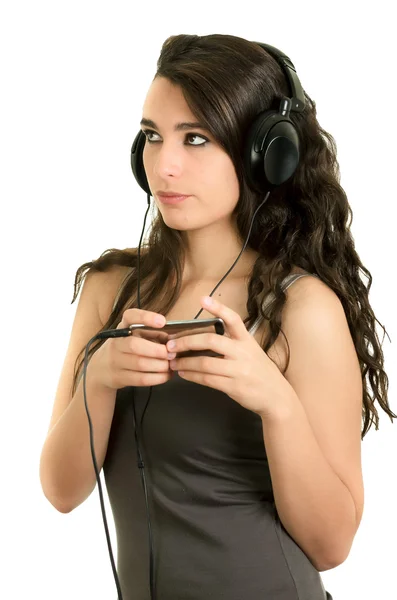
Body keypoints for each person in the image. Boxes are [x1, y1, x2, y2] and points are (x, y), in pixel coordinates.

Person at [39, 34, 395, 600]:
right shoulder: (111, 292)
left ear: (266, 154)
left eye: (196, 138)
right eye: (153, 137)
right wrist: (99, 379)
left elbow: (332, 546)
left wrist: (274, 401)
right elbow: (61, 491)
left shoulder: (302, 308)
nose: (165, 165)